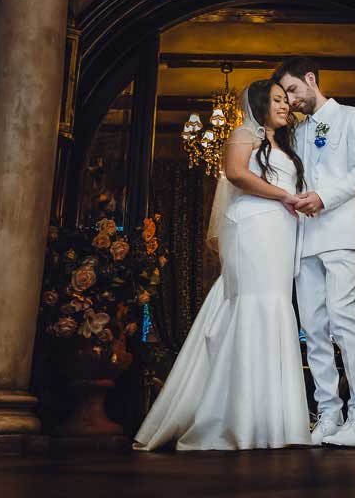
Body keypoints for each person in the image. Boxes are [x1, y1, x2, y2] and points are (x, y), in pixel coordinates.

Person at [133, 79, 311, 450]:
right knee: (251, 305)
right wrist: (284, 195)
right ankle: (236, 419)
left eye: (285, 100)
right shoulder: (243, 134)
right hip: (254, 226)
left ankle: (273, 421)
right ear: (260, 103)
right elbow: (236, 173)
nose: (284, 105)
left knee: (276, 306)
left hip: (280, 232)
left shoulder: (285, 145)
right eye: (277, 100)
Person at [275, 57, 355, 448]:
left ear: (311, 79)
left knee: (343, 320)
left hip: (338, 233)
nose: (291, 101)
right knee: (314, 330)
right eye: (284, 97)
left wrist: (323, 197)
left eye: (294, 91)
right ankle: (330, 414)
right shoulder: (296, 133)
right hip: (304, 241)